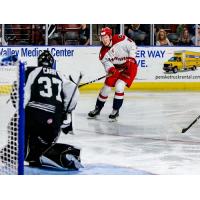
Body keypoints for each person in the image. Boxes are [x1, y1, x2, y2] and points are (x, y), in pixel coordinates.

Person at [1, 50, 82, 170]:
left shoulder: (32, 71)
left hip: (34, 115)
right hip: (54, 120)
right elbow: (74, 93)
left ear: (39, 62)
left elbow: (25, 94)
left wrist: (20, 110)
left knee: (14, 125)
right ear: (52, 63)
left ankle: (16, 151)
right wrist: (66, 112)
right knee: (42, 146)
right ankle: (40, 155)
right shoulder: (60, 74)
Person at [88, 27, 138, 120]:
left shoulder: (120, 39)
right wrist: (111, 69)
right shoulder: (102, 53)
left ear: (110, 36)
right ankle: (97, 108)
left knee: (119, 87)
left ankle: (115, 110)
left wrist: (131, 58)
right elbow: (107, 64)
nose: (104, 40)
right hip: (116, 68)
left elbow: (133, 46)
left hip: (129, 68)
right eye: (102, 38)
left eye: (106, 37)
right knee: (106, 88)